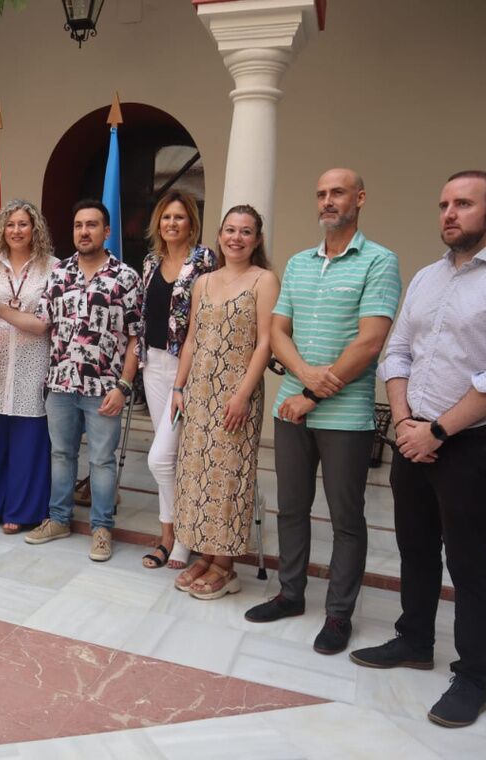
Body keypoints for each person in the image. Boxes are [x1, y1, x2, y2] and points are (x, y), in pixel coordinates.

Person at [350, 171, 486, 728]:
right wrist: (407, 422)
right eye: (443, 203)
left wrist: (436, 431)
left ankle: (472, 679)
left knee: (468, 562)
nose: (449, 213)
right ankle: (414, 639)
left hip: (473, 444)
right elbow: (396, 355)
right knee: (415, 548)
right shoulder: (426, 278)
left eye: (463, 204)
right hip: (415, 434)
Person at [243, 168, 401, 656]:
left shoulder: (380, 261)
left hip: (345, 417)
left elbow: (371, 340)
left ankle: (338, 615)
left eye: (337, 193)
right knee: (291, 507)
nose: (328, 201)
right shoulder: (298, 263)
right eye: (321, 194)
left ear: (360, 197)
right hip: (293, 407)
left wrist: (313, 391)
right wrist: (305, 375)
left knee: (345, 517)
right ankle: (291, 594)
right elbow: (278, 330)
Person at [0, 200, 142, 562]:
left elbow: (135, 337)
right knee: (61, 455)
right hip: (60, 384)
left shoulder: (125, 277)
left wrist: (124, 385)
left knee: (101, 461)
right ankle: (58, 519)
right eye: (78, 225)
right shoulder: (60, 274)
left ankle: (101, 529)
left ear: (107, 231)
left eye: (92, 225)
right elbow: (41, 324)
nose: (84, 232)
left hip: (104, 387)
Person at [170, 206, 278, 599]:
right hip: (199, 392)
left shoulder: (264, 281)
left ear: (257, 239)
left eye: (245, 231)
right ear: (219, 235)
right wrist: (179, 388)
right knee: (197, 474)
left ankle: (225, 566)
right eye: (230, 230)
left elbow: (265, 342)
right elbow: (192, 340)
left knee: (227, 477)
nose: (236, 238)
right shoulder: (205, 282)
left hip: (236, 392)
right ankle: (204, 553)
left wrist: (242, 395)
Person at [139, 190, 217, 571]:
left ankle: (177, 537)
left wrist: (183, 382)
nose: (172, 223)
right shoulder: (150, 262)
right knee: (168, 457)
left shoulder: (204, 261)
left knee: (161, 458)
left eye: (179, 218)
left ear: (191, 224)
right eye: (166, 217)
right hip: (152, 365)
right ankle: (173, 534)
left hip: (186, 369)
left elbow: (204, 320)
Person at [0, 200, 57, 533]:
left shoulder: (52, 267)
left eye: (23, 224)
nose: (17, 231)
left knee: (28, 441)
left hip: (32, 364)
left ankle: (21, 512)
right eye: (10, 225)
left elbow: (42, 324)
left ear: (34, 228)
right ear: (1, 230)